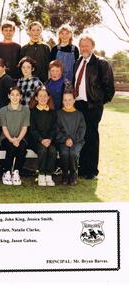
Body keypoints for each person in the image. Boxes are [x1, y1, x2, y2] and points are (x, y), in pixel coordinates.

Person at [73, 34, 115, 179]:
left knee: (91, 136)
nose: (84, 48)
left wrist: (99, 102)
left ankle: (91, 170)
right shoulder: (78, 62)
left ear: (93, 47)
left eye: (87, 45)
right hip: (78, 105)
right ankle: (82, 167)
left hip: (92, 106)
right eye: (82, 45)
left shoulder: (101, 63)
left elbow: (109, 87)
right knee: (81, 137)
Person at [0, 87, 30, 186]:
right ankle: (7, 172)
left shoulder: (25, 110)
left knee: (22, 148)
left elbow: (25, 127)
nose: (15, 97)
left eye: (17, 95)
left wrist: (19, 139)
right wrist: (11, 140)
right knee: (10, 147)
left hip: (21, 137)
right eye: (12, 94)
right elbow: (4, 127)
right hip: (6, 138)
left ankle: (16, 172)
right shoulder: (3, 110)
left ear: (21, 96)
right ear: (9, 96)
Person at [28, 86, 57, 186]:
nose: (43, 98)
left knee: (53, 151)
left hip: (49, 140)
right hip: (36, 140)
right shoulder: (32, 112)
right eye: (40, 96)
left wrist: (49, 139)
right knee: (43, 150)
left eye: (45, 96)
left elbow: (54, 128)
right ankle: (41, 174)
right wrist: (41, 140)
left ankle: (48, 175)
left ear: (49, 97)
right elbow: (32, 130)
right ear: (36, 98)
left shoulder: (52, 112)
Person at [57, 92, 86, 185]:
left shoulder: (79, 114)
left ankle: (73, 175)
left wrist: (72, 140)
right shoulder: (58, 114)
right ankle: (65, 174)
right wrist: (65, 139)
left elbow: (81, 130)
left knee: (73, 153)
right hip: (63, 141)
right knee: (65, 153)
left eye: (70, 100)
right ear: (62, 101)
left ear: (74, 101)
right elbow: (56, 130)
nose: (67, 102)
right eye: (65, 100)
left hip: (77, 141)